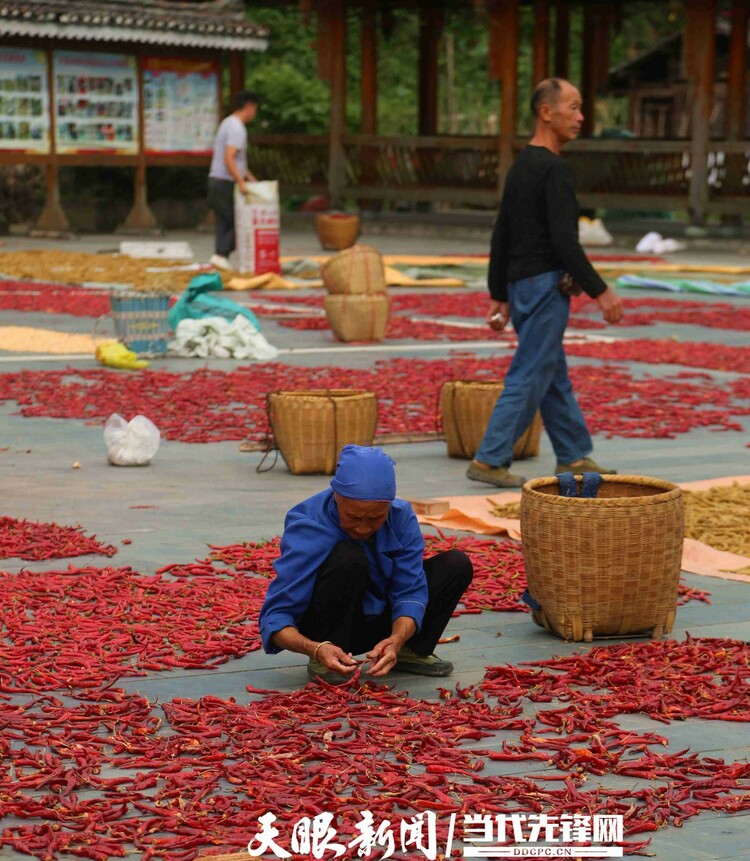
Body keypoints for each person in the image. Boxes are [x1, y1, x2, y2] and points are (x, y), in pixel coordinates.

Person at [466, 77, 624, 489]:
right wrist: (600, 289)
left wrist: (499, 292)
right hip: (543, 286)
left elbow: (503, 233)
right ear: (546, 112)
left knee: (551, 371)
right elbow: (563, 241)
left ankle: (573, 455)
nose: (580, 117)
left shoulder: (523, 165)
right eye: (572, 107)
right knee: (531, 371)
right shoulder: (553, 169)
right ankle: (489, 458)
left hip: (523, 285)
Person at [259, 445, 473, 685]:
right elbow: (275, 616)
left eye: (375, 518)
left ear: (388, 506)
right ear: (336, 498)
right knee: (350, 556)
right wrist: (315, 647)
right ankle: (325, 658)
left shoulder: (400, 517)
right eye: (352, 517)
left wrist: (397, 638)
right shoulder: (308, 522)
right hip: (327, 628)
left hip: (380, 621)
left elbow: (409, 589)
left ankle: (407, 650)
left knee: (456, 564)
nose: (362, 528)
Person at [207, 91, 259, 271]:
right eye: (255, 109)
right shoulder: (237, 128)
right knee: (238, 222)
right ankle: (221, 254)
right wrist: (241, 183)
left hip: (217, 180)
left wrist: (252, 180)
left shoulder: (227, 122)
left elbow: (239, 162)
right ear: (249, 107)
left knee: (224, 222)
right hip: (225, 181)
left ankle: (220, 258)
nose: (255, 113)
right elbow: (229, 159)